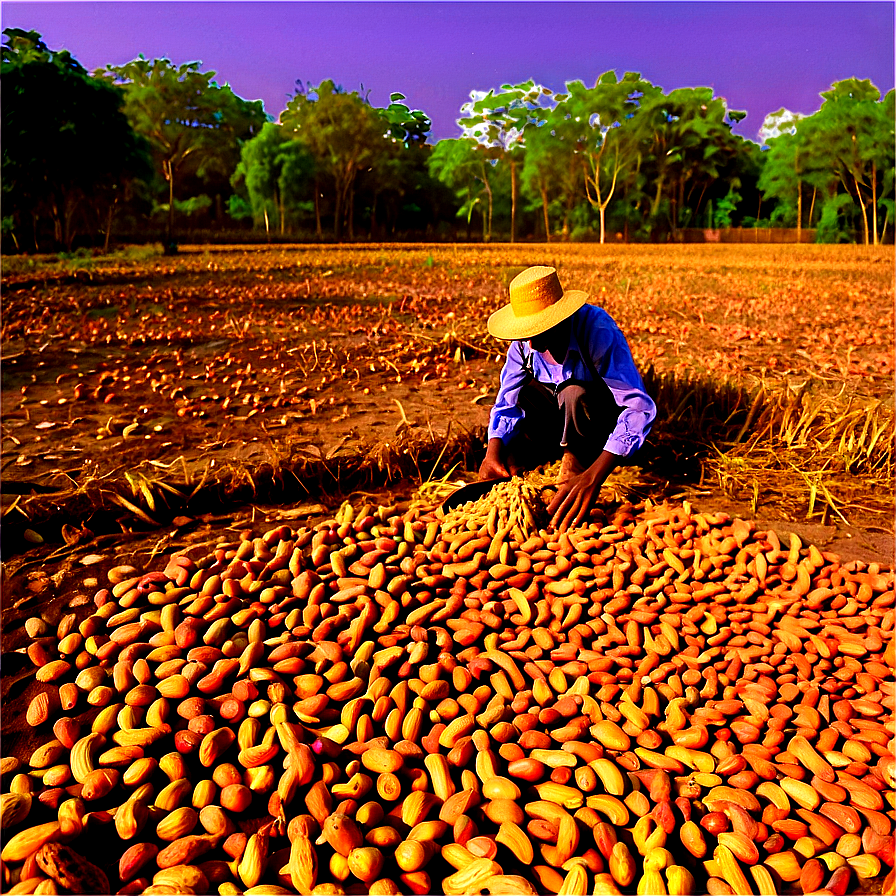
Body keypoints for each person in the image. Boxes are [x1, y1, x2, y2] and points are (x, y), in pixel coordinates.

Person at [479, 265, 656, 530]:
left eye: (540, 332)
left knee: (574, 392)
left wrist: (594, 477)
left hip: (596, 418)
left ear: (561, 318)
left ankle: (576, 460)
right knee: (521, 403)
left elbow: (638, 408)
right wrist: (493, 452)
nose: (533, 345)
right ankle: (532, 457)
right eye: (527, 334)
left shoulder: (595, 330)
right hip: (553, 419)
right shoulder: (524, 345)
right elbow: (507, 401)